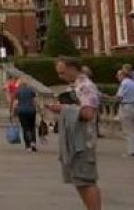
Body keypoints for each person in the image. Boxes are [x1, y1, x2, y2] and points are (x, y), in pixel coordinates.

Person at [46, 57, 101, 210]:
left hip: (83, 140)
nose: (60, 77)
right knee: (79, 180)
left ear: (72, 69)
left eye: (62, 73)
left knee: (86, 180)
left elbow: (89, 113)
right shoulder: (75, 87)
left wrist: (62, 109)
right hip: (75, 138)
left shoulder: (85, 86)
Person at [13, 78, 38, 152]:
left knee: (25, 128)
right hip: (31, 110)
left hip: (22, 111)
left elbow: (16, 103)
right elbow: (34, 101)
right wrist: (37, 108)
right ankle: (33, 142)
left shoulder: (18, 91)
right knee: (32, 127)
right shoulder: (31, 90)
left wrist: (13, 113)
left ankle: (28, 146)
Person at [116, 68, 134, 157]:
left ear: (123, 75)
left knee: (128, 130)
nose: (117, 77)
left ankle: (131, 151)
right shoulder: (132, 82)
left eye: (118, 75)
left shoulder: (124, 83)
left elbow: (119, 97)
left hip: (126, 107)